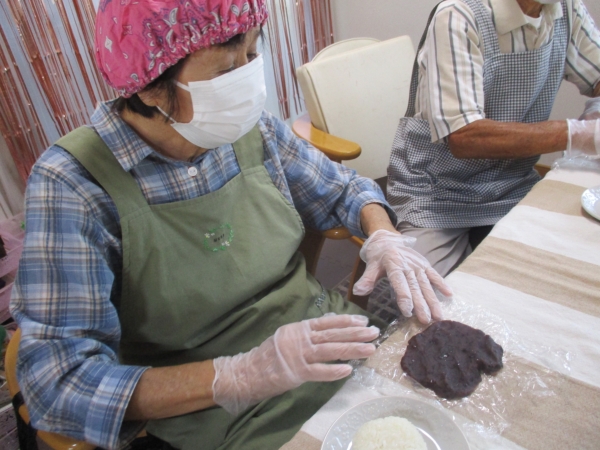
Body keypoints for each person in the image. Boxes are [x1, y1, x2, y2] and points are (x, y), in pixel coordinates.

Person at [10, 1, 452, 449]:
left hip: (327, 340)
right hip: (211, 411)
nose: (247, 78)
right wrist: (238, 376)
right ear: (151, 86)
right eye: (225, 69)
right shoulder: (73, 185)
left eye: (253, 54)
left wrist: (383, 235)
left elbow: (342, 190)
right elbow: (58, 383)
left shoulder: (248, 128)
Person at [387, 0, 600, 276]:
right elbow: (465, 137)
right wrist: (577, 134)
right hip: (435, 193)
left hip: (512, 182)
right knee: (431, 297)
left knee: (562, 270)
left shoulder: (564, 8)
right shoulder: (458, 15)